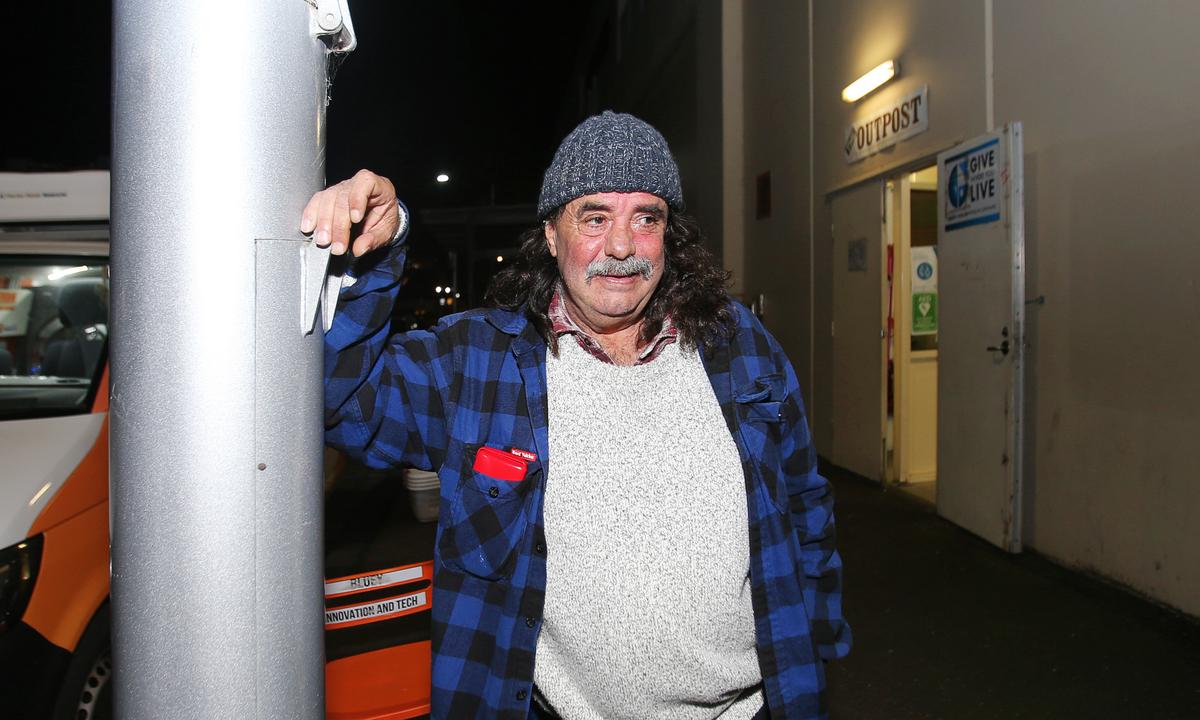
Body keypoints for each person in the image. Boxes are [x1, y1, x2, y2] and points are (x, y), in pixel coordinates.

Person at [303, 111, 851, 720]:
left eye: (647, 218)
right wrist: (384, 247)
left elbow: (805, 504)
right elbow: (340, 401)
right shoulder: (479, 364)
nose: (621, 247)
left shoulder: (738, 345)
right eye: (594, 217)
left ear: (668, 235)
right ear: (550, 234)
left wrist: (818, 645)